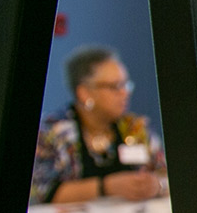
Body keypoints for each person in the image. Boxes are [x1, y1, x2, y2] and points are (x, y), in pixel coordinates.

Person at [30, 45, 165, 204]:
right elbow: (42, 192)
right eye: (115, 86)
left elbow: (163, 174)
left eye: (126, 85)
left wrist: (156, 185)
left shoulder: (135, 127)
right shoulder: (52, 131)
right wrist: (107, 187)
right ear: (84, 93)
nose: (125, 92)